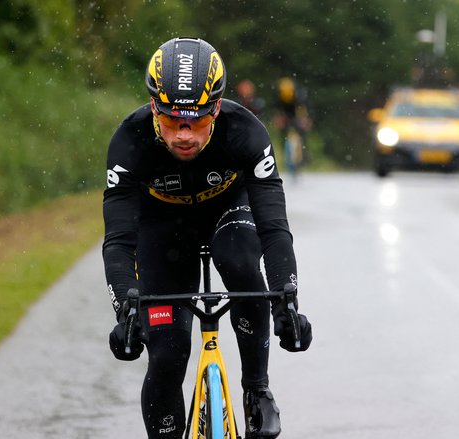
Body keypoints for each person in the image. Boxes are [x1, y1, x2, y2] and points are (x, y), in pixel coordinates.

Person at [102, 37, 313, 439]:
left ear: (216, 108)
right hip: (163, 224)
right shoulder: (130, 142)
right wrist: (125, 307)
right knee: (167, 354)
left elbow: (273, 226)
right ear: (153, 108)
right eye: (171, 122)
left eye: (197, 121)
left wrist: (287, 298)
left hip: (228, 209)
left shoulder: (246, 132)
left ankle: (256, 388)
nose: (184, 134)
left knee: (238, 260)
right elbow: (119, 239)